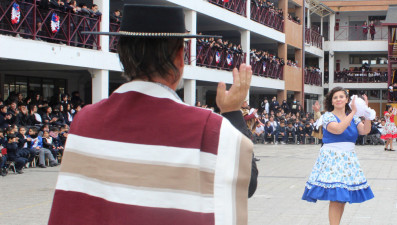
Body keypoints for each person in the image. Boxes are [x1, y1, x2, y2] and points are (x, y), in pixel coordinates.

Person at [49, 5, 256, 224]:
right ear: (179, 56)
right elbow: (246, 182)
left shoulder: (85, 120)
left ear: (122, 54)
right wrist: (233, 112)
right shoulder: (207, 127)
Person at [301, 87, 374, 225]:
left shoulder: (354, 117)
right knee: (336, 196)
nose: (339, 99)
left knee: (342, 198)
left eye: (342, 96)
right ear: (332, 101)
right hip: (332, 159)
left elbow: (365, 130)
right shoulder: (327, 116)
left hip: (348, 159)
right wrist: (353, 112)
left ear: (347, 100)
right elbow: (339, 129)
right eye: (335, 97)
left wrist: (367, 113)